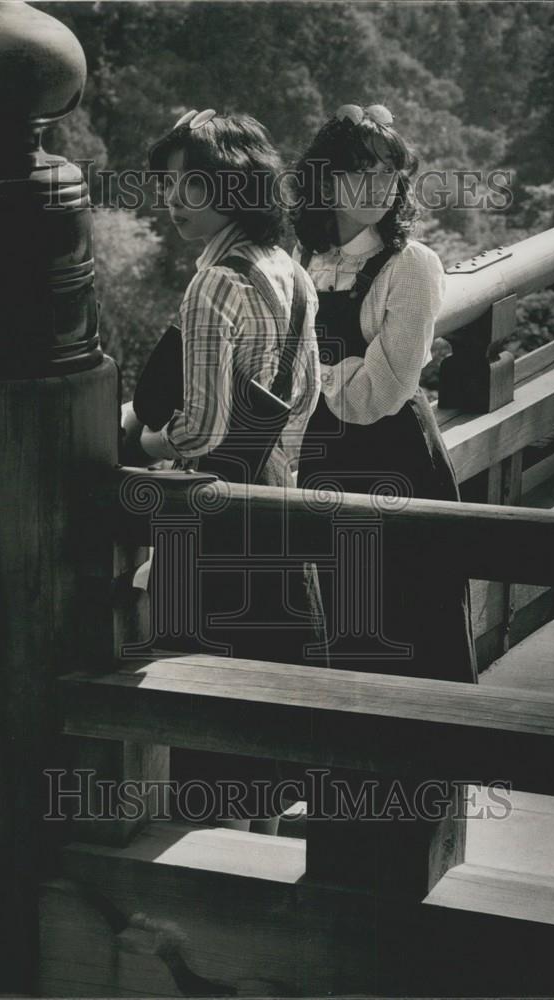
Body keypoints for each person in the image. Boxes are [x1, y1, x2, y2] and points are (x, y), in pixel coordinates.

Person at [121, 109, 328, 832]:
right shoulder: (292, 272)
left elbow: (198, 429)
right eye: (166, 187)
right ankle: (262, 862)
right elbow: (305, 397)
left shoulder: (213, 286)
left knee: (203, 714)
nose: (172, 204)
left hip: (206, 521)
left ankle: (210, 877)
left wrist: (134, 440)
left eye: (188, 188)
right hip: (273, 506)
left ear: (232, 186)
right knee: (266, 711)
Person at [291, 103, 478, 684]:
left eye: (388, 173)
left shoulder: (410, 265)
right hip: (326, 460)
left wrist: (314, 365)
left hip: (395, 459)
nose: (377, 186)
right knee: (347, 622)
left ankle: (435, 770)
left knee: (411, 615)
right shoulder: (309, 257)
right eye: (359, 170)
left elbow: (382, 392)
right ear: (325, 177)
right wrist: (335, 367)